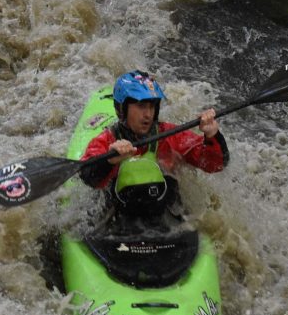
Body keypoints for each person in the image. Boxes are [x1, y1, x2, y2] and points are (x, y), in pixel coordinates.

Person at [79, 70, 229, 214]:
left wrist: (212, 135)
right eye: (141, 106)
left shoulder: (169, 135)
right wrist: (109, 160)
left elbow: (215, 164)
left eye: (152, 106)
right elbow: (88, 177)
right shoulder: (107, 140)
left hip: (163, 216)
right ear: (121, 109)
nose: (148, 114)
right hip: (119, 217)